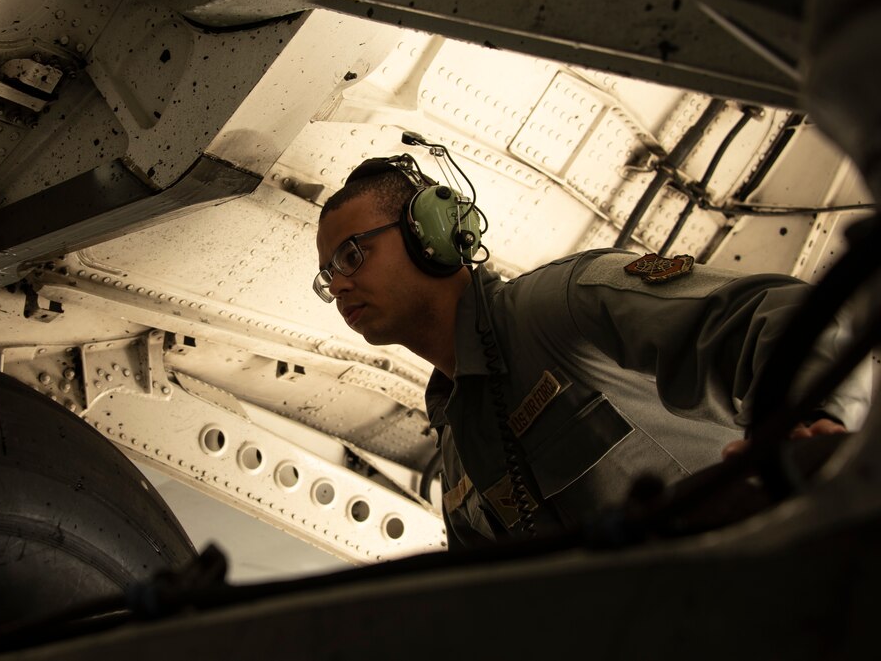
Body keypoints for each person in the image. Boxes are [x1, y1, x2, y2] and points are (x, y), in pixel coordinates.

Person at [313, 151, 871, 549]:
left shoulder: (564, 303)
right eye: (326, 275)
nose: (337, 285)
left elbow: (773, 315)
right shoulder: (457, 459)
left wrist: (814, 422)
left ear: (430, 236)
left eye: (352, 256)